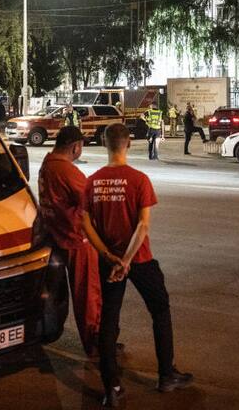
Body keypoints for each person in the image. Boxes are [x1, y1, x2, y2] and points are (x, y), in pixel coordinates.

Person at [82, 124, 193, 406]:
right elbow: (142, 226)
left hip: (109, 262)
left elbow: (85, 223)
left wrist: (108, 255)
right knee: (160, 311)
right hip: (139, 259)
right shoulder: (139, 180)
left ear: (105, 144)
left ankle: (111, 387)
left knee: (109, 320)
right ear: (128, 144)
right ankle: (166, 375)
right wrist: (127, 261)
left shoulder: (92, 182)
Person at [38, 126, 102, 357]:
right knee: (88, 294)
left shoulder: (47, 164)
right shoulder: (66, 170)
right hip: (76, 238)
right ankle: (95, 344)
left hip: (56, 235)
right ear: (75, 147)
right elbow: (90, 199)